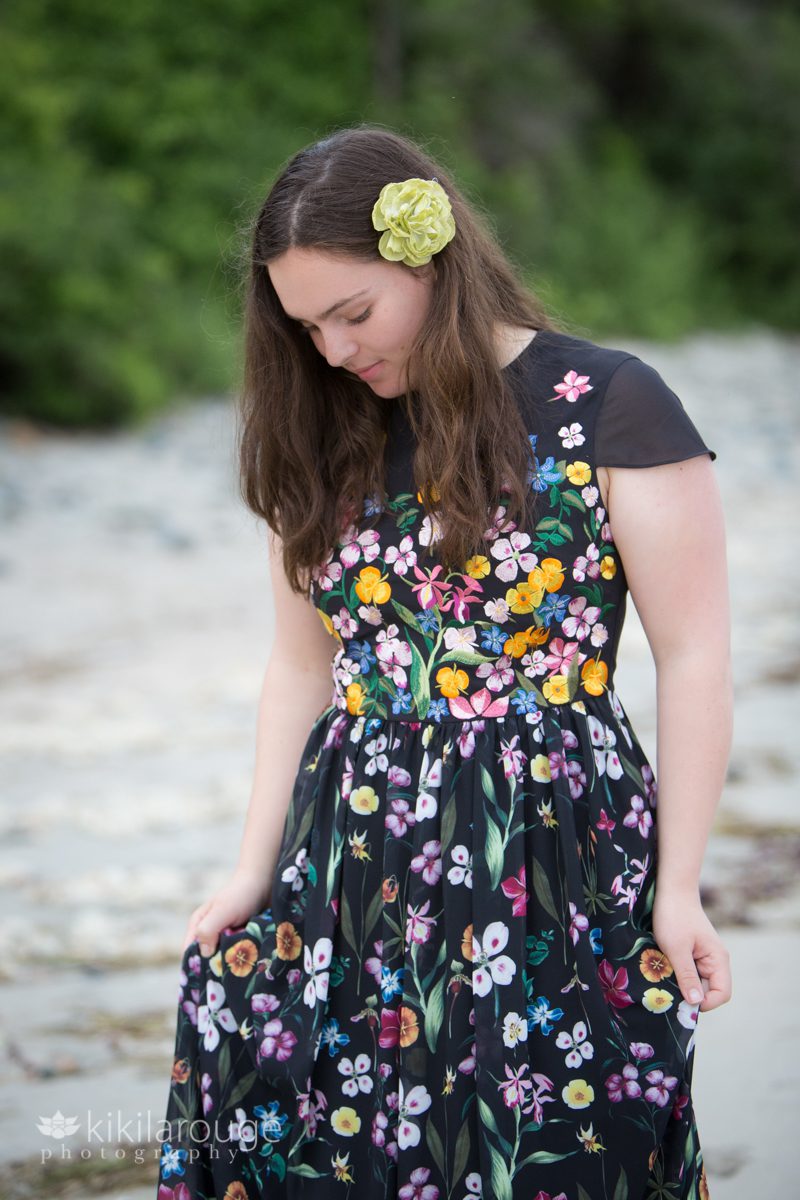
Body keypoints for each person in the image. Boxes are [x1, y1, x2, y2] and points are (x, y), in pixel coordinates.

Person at [155, 125, 732, 1200]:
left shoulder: (607, 404)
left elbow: (693, 656)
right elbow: (302, 670)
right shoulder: (323, 428)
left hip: (551, 844)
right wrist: (253, 866)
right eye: (305, 326)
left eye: (353, 314)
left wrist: (681, 886)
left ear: (428, 257)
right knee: (346, 1140)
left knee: (551, 1139)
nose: (332, 352)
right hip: (356, 855)